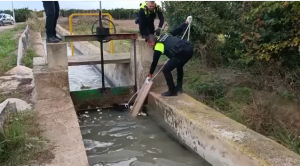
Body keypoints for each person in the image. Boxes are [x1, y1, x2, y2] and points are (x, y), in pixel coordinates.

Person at [145, 16, 193, 97]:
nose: (149, 46)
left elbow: (154, 62)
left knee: (166, 70)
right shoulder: (165, 35)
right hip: (189, 48)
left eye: (149, 44)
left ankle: (172, 90)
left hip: (182, 53)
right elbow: (177, 30)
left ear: (151, 42)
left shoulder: (158, 46)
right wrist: (185, 23)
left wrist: (149, 75)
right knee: (179, 65)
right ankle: (179, 87)